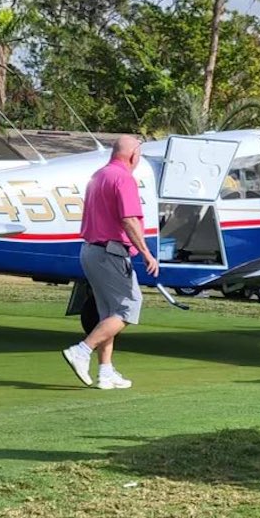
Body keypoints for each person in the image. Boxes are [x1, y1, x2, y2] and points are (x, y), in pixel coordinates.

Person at [61, 136, 159, 390]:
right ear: (133, 155)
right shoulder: (124, 178)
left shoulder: (99, 175)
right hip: (111, 252)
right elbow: (128, 220)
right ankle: (82, 350)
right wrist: (147, 253)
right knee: (129, 307)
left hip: (91, 251)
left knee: (109, 313)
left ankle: (105, 371)